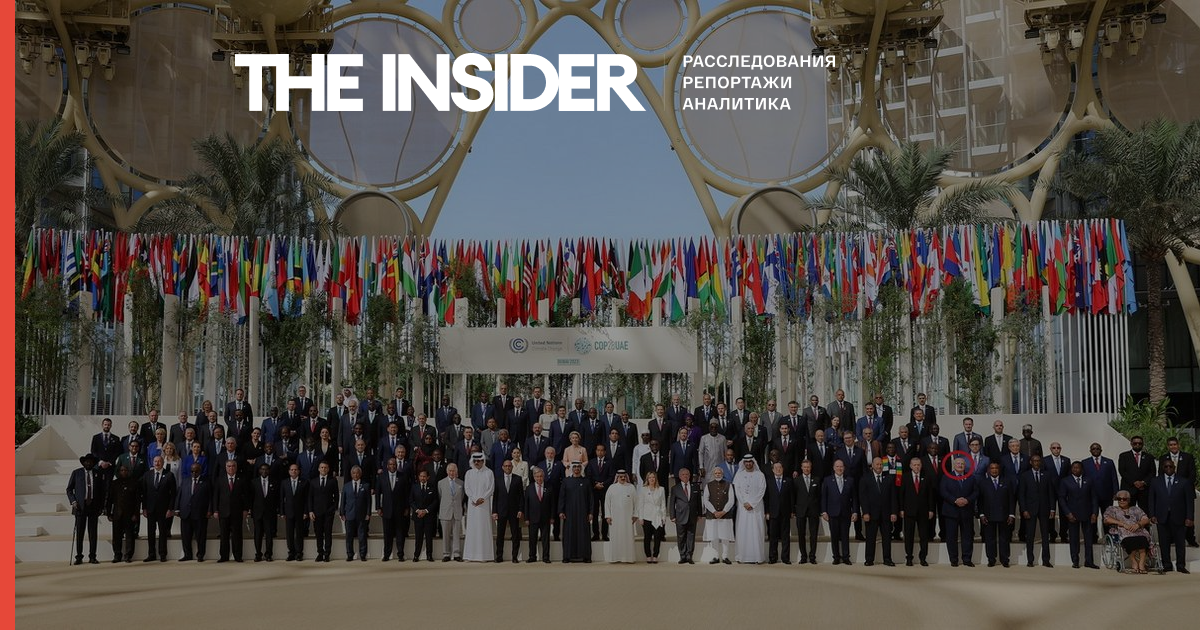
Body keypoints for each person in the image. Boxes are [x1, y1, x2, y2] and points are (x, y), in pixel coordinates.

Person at [1147, 459, 1194, 573]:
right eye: (1166, 467)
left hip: (1179, 517)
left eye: (1170, 466)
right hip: (1161, 516)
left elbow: (1189, 502)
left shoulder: (1184, 481)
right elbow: (1151, 499)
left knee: (1180, 543)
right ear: (1163, 468)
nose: (1168, 468)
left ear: (1174, 468)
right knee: (1164, 542)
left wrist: (1190, 517)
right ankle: (1167, 565)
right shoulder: (1155, 481)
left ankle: (1181, 565)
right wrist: (1152, 514)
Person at [1059, 460, 1099, 569]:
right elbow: (1062, 498)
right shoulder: (1065, 481)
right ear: (1071, 469)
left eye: (1078, 468)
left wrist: (1095, 513)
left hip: (1087, 514)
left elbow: (1094, 498)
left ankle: (1089, 561)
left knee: (1088, 539)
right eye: (1074, 468)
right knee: (1074, 539)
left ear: (1082, 469)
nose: (1076, 469)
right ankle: (1075, 561)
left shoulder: (1089, 480)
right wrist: (1068, 513)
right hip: (1072, 515)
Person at [1019, 454, 1057, 568]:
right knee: (1030, 535)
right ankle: (1030, 560)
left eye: (1038, 461)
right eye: (1034, 461)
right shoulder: (1025, 475)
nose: (1036, 463)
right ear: (1031, 462)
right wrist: (1024, 509)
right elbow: (1021, 495)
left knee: (1045, 535)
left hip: (1044, 509)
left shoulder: (1047, 474)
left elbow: (1051, 493)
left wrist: (1052, 509)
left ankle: (1046, 560)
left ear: (1040, 462)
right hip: (1030, 510)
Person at [1159, 437, 1198, 547]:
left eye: (1175, 444)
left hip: (1186, 492)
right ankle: (1172, 539)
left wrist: (1182, 487)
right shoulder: (1163, 458)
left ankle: (1191, 539)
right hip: (1169, 493)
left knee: (1188, 515)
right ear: (1168, 446)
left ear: (1178, 445)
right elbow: (1161, 475)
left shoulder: (1188, 457)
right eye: (1171, 445)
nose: (1173, 447)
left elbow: (1192, 475)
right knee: (1171, 515)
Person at [66, 453, 105, 564]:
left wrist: (101, 506)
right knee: (80, 533)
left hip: (93, 506)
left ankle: (92, 556)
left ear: (93, 463)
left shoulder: (98, 474)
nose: (88, 463)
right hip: (80, 507)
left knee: (93, 533)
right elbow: (69, 489)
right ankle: (79, 556)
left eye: (91, 461)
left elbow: (102, 492)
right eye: (87, 461)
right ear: (83, 463)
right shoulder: (76, 473)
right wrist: (73, 501)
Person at [941, 457, 978, 567]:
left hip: (966, 511)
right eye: (958, 463)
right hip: (951, 511)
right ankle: (954, 559)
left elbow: (976, 492)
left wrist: (967, 500)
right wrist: (955, 500)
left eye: (962, 464)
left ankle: (967, 559)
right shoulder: (946, 476)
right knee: (951, 537)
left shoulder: (971, 477)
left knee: (967, 536)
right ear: (954, 465)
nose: (960, 465)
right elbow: (943, 491)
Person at [1104, 490, 1153, 573]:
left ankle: (1141, 564)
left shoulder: (1135, 509)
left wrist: (1138, 524)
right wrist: (1123, 524)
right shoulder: (1112, 509)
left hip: (1138, 531)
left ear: (1129, 500)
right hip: (1123, 532)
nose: (1121, 500)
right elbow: (1106, 519)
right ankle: (1134, 562)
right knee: (1130, 540)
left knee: (1143, 539)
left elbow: (1146, 519)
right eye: (1119, 499)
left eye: (1124, 499)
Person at [860, 457, 896, 566]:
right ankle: (869, 559)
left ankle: (887, 559)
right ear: (872, 466)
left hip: (886, 514)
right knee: (870, 538)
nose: (879, 466)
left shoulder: (889, 478)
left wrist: (893, 512)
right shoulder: (865, 478)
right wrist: (865, 512)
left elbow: (893, 497)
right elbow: (863, 497)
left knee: (887, 538)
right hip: (871, 514)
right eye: (877, 464)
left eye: (881, 464)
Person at [978, 461, 1015, 567]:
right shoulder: (983, 482)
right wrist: (981, 514)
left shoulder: (1007, 481)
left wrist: (1011, 514)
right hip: (988, 515)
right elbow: (980, 500)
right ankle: (991, 559)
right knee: (990, 538)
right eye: (992, 468)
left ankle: (1005, 559)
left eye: (996, 468)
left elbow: (1011, 499)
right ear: (989, 470)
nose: (994, 470)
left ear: (999, 470)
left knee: (1004, 538)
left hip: (1004, 515)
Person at [141, 456, 177, 562]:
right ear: (153, 462)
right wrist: (144, 508)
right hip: (150, 509)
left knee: (163, 532)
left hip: (163, 509)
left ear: (162, 463)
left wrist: (170, 509)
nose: (157, 463)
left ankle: (162, 554)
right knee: (151, 533)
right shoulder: (147, 475)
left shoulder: (169, 475)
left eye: (159, 461)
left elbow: (173, 494)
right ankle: (151, 554)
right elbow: (144, 493)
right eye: (155, 461)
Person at [212, 459, 249, 562]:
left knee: (237, 535)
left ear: (236, 467)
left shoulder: (242, 479)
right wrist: (215, 510)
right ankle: (224, 556)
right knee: (224, 535)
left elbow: (246, 495)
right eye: (229, 466)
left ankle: (238, 556)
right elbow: (216, 496)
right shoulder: (220, 479)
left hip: (237, 512)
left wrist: (246, 509)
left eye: (233, 466)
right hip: (223, 512)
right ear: (225, 467)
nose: (231, 468)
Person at [821, 459, 857, 565]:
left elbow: (854, 498)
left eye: (841, 466)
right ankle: (836, 557)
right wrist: (824, 511)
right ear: (833, 468)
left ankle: (846, 557)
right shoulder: (827, 480)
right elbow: (824, 497)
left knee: (845, 536)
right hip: (832, 513)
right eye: (837, 466)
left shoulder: (850, 480)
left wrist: (855, 511)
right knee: (834, 536)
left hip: (846, 513)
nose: (839, 468)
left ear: (844, 468)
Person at [899, 457, 933, 566]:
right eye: (914, 465)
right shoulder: (905, 477)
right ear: (910, 466)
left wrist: (931, 509)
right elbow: (901, 495)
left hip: (923, 511)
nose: (917, 467)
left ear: (921, 466)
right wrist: (901, 509)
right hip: (909, 511)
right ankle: (909, 557)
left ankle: (923, 558)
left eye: (918, 465)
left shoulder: (926, 477)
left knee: (924, 536)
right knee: (909, 536)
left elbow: (930, 495)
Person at [733, 455, 766, 564]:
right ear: (743, 463)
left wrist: (752, 503)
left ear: (753, 462)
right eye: (746, 462)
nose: (748, 464)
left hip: (757, 508)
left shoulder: (760, 475)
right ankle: (742, 556)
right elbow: (737, 490)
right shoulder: (739, 475)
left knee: (757, 530)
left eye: (750, 462)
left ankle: (758, 557)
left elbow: (762, 490)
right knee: (743, 530)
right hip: (743, 508)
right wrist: (744, 503)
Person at [376, 457, 410, 562]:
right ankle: (386, 554)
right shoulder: (381, 477)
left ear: (397, 465)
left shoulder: (403, 476)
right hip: (386, 510)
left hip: (400, 510)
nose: (392, 466)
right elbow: (378, 494)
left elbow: (406, 494)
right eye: (390, 464)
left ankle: (400, 554)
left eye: (394, 464)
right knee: (387, 534)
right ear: (387, 466)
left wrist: (407, 507)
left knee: (400, 533)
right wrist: (378, 507)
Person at [559, 461, 594, 563]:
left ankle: (586, 556)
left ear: (581, 468)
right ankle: (567, 556)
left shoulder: (586, 481)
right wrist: (561, 511)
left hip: (583, 513)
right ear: (572, 468)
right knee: (568, 534)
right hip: (569, 513)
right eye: (574, 467)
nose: (576, 469)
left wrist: (591, 512)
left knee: (584, 534)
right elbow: (562, 497)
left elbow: (591, 498)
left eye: (578, 467)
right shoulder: (566, 481)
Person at [175, 463, 211, 561]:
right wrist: (177, 509)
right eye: (192, 471)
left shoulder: (206, 482)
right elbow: (179, 495)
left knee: (200, 536)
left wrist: (209, 510)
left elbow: (210, 497)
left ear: (200, 471)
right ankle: (187, 555)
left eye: (196, 471)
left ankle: (200, 555)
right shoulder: (185, 481)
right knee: (186, 536)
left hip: (200, 513)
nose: (194, 473)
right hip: (186, 513)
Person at [105, 464, 141, 563]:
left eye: (125, 470)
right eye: (122, 470)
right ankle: (117, 555)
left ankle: (128, 555)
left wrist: (136, 514)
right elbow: (109, 499)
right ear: (119, 472)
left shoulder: (134, 483)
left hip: (130, 515)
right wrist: (108, 513)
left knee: (130, 536)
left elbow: (137, 501)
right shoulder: (114, 483)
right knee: (116, 536)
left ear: (128, 471)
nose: (123, 472)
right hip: (117, 514)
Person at [463, 453, 495, 562]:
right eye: (475, 461)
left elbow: (491, 488)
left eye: (479, 461)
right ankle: (470, 555)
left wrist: (482, 498)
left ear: (483, 461)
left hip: (484, 505)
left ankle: (484, 556)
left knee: (483, 528)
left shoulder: (489, 472)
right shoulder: (469, 473)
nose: (477, 463)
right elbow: (467, 488)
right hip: (473, 505)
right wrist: (474, 499)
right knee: (472, 529)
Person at [701, 465, 735, 564]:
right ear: (713, 474)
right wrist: (714, 512)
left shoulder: (728, 485)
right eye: (716, 473)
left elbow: (731, 500)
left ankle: (725, 556)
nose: (717, 474)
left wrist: (723, 511)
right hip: (712, 516)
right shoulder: (708, 485)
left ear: (722, 474)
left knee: (725, 537)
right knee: (714, 536)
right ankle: (715, 556)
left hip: (725, 515)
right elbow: (706, 500)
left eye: (719, 473)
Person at [307, 460, 339, 562]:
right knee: (318, 533)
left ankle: (327, 554)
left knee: (328, 533)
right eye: (322, 467)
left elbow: (336, 496)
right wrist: (310, 511)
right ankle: (320, 553)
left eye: (325, 467)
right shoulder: (313, 481)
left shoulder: (333, 480)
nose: (323, 469)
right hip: (316, 512)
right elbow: (310, 497)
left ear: (328, 469)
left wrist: (334, 508)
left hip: (329, 512)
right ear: (318, 469)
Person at [493, 459, 524, 562]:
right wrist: (494, 511)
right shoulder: (497, 479)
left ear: (512, 467)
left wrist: (520, 509)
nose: (507, 467)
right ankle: (499, 556)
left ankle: (514, 557)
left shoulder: (518, 479)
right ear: (502, 467)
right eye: (505, 466)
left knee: (515, 535)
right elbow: (495, 497)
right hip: (501, 511)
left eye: (509, 466)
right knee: (500, 535)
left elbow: (521, 496)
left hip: (514, 511)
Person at [765, 461, 794, 564]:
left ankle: (785, 558)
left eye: (780, 468)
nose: (778, 469)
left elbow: (792, 497)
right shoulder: (769, 481)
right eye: (776, 468)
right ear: (773, 470)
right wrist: (767, 512)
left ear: (783, 469)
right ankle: (773, 557)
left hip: (785, 513)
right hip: (773, 513)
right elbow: (766, 498)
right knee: (773, 536)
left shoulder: (788, 481)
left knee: (785, 536)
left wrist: (792, 511)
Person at [604, 470, 637, 563]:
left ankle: (628, 558)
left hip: (628, 518)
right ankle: (615, 558)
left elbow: (636, 503)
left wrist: (635, 515)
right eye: (620, 476)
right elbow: (607, 503)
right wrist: (608, 516)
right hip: (615, 519)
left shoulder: (631, 487)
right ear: (617, 477)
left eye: (624, 476)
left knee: (628, 538)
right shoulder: (611, 488)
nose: (622, 478)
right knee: (616, 538)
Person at [1118, 435, 1156, 510]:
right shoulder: (1124, 456)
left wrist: (1143, 482)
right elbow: (1122, 471)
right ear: (1131, 444)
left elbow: (1152, 472)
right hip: (1129, 489)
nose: (1137, 445)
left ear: (1143, 444)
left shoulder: (1149, 457)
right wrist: (1134, 482)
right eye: (1135, 443)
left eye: (1140, 443)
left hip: (1144, 490)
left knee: (1145, 512)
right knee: (1127, 512)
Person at [524, 466, 553, 563]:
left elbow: (552, 503)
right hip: (532, 518)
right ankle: (532, 556)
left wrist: (552, 517)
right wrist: (526, 518)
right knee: (532, 538)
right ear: (534, 477)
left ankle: (546, 557)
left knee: (545, 539)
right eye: (537, 476)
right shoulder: (529, 488)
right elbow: (526, 504)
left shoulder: (549, 487)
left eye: (541, 476)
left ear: (543, 477)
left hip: (545, 518)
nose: (539, 478)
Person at [250, 462, 278, 562]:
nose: (264, 471)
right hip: (257, 513)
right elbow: (251, 498)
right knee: (258, 534)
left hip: (269, 513)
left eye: (266, 469)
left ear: (269, 471)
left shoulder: (275, 482)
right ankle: (258, 554)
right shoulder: (254, 482)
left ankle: (268, 554)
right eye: (262, 469)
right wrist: (251, 511)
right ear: (259, 471)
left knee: (269, 535)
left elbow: (277, 498)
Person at [280, 463, 308, 561]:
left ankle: (299, 553)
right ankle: (291, 553)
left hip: (300, 512)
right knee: (289, 533)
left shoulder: (304, 482)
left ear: (299, 471)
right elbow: (281, 498)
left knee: (299, 533)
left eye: (295, 469)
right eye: (292, 470)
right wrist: (282, 512)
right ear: (289, 471)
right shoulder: (284, 482)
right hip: (288, 512)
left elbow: (306, 499)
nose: (294, 471)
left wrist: (306, 512)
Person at [637, 471, 667, 563]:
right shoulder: (643, 490)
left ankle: (655, 555)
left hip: (657, 516)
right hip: (646, 516)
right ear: (647, 479)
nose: (651, 479)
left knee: (657, 537)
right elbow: (640, 505)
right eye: (650, 477)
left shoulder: (661, 489)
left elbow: (663, 504)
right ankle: (648, 555)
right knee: (647, 537)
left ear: (655, 478)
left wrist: (663, 517)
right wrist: (640, 517)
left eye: (653, 477)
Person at [411, 469, 439, 562]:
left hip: (429, 516)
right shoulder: (414, 487)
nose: (422, 478)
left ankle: (429, 555)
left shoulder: (432, 487)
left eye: (424, 476)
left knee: (428, 537)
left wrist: (426, 511)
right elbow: (411, 501)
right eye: (421, 476)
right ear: (418, 477)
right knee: (418, 537)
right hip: (418, 516)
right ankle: (416, 555)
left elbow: (435, 501)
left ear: (428, 477)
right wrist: (418, 511)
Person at [439, 463, 466, 561]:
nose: (452, 472)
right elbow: (440, 496)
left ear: (456, 472)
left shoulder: (461, 483)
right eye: (450, 471)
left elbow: (462, 497)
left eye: (453, 471)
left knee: (456, 534)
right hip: (445, 512)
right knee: (445, 535)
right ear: (447, 471)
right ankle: (446, 554)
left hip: (457, 512)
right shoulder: (441, 483)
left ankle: (456, 554)